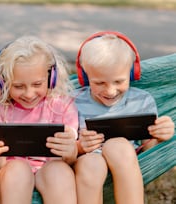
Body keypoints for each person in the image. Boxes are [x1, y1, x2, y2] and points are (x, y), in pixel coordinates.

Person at [74, 31, 175, 204]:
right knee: (91, 163)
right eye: (99, 83)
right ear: (84, 76)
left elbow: (147, 149)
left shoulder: (141, 101)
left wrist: (160, 136)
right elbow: (65, 150)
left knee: (118, 146)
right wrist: (80, 147)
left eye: (119, 82)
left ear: (131, 74)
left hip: (125, 159)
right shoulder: (72, 102)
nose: (110, 91)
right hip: (88, 163)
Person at [0, 36, 79, 204]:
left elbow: (70, 157)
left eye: (37, 84)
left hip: (52, 169)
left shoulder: (62, 106)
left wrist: (71, 152)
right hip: (13, 173)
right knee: (18, 170)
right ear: (3, 82)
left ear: (51, 77)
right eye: (18, 86)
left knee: (59, 172)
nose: (28, 94)